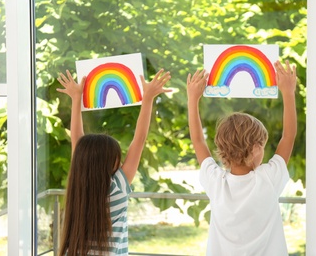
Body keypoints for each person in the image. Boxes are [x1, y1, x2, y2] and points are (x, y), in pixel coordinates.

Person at [187, 60, 297, 256]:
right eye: (262, 146)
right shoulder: (268, 178)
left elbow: (198, 141)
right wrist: (288, 93)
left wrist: (192, 99)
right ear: (255, 149)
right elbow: (288, 136)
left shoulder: (216, 181)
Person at [56, 68, 171, 256]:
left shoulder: (79, 185)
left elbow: (77, 141)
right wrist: (148, 98)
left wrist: (76, 99)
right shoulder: (116, 189)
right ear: (110, 162)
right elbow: (139, 139)